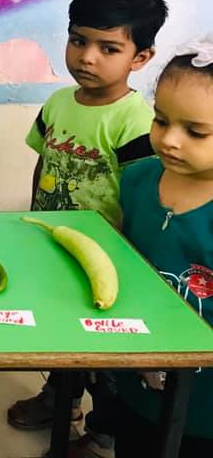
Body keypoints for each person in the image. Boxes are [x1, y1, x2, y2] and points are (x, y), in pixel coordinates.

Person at [6, 0, 168, 458]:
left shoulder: (134, 120)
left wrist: (125, 250)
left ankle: (103, 433)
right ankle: (60, 399)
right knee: (59, 329)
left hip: (107, 255)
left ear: (141, 57)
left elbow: (142, 192)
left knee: (102, 357)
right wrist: (34, 215)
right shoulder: (58, 102)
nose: (87, 57)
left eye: (108, 48)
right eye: (78, 41)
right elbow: (44, 162)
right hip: (55, 241)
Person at [111, 39, 213, 456]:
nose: (169, 140)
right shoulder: (138, 179)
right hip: (134, 371)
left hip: (204, 400)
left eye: (196, 132)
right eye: (160, 120)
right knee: (133, 441)